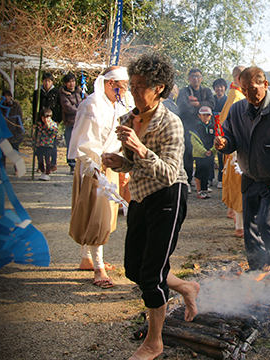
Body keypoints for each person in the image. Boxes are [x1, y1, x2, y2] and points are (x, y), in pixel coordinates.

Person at [102, 52, 200, 360]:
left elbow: (170, 172)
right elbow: (135, 162)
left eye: (141, 85)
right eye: (131, 84)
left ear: (159, 87)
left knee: (153, 274)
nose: (133, 90)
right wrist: (121, 161)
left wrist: (139, 148)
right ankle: (185, 287)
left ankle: (154, 343)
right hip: (141, 195)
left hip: (169, 196)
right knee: (135, 268)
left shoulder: (171, 123)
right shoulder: (130, 118)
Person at [214, 66, 270, 275]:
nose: (248, 95)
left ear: (265, 85)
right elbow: (231, 138)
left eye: (253, 89)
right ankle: (256, 267)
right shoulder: (237, 110)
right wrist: (223, 143)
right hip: (249, 177)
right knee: (249, 227)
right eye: (244, 90)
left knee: (266, 220)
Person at [68, 66, 130, 288]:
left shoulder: (116, 105)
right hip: (93, 168)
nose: (125, 91)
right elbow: (84, 144)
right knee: (97, 216)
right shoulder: (92, 105)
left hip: (111, 165)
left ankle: (87, 258)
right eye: (122, 87)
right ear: (110, 84)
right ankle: (98, 267)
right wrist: (96, 172)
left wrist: (124, 169)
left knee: (106, 215)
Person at [219, 65, 247, 237]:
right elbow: (231, 123)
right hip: (238, 149)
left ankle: (235, 215)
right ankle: (240, 227)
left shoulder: (238, 94)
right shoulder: (236, 95)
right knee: (239, 186)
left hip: (239, 148)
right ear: (238, 78)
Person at [177, 69, 215, 188]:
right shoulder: (184, 91)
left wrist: (198, 104)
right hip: (189, 126)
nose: (195, 79)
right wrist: (201, 109)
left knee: (205, 153)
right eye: (193, 76)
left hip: (204, 128)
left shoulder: (206, 91)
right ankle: (188, 180)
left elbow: (212, 104)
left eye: (198, 76)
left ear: (201, 78)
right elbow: (182, 106)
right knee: (188, 154)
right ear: (189, 78)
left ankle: (205, 181)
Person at [33, 72, 61, 173]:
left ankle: (52, 164)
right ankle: (40, 165)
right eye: (45, 81)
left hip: (52, 121)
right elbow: (34, 107)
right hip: (41, 121)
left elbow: (59, 106)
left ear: (52, 82)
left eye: (49, 81)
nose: (46, 83)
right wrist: (34, 121)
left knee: (52, 144)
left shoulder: (56, 92)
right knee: (39, 144)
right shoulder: (38, 92)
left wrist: (58, 120)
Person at [60, 73, 85, 174]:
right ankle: (72, 165)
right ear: (65, 83)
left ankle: (81, 164)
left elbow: (87, 100)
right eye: (69, 82)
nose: (71, 84)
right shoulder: (63, 95)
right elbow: (68, 108)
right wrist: (81, 110)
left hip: (81, 122)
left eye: (73, 81)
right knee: (71, 144)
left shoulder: (80, 92)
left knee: (81, 143)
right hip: (70, 122)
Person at [190, 106, 216, 199]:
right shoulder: (196, 128)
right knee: (199, 173)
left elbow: (216, 140)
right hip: (200, 154)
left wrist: (212, 150)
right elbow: (194, 142)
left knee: (207, 172)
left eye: (208, 115)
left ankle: (205, 189)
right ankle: (199, 190)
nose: (206, 117)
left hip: (210, 153)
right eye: (203, 115)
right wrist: (204, 151)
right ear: (199, 116)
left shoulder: (213, 127)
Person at [1, 90, 25, 175]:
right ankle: (2, 167)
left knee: (15, 151)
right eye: (4, 96)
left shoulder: (16, 106)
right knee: (2, 152)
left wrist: (19, 130)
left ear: (11, 97)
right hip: (4, 132)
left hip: (14, 132)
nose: (6, 98)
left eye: (8, 96)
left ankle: (17, 168)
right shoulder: (0, 106)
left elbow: (19, 119)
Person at [34, 108, 58, 181]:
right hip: (40, 144)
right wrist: (33, 143)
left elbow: (54, 132)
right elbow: (36, 135)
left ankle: (47, 173)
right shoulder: (39, 124)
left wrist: (48, 126)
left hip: (48, 145)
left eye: (47, 117)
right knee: (40, 160)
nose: (45, 119)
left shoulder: (53, 124)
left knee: (47, 160)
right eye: (44, 117)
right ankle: (42, 171)